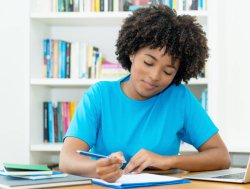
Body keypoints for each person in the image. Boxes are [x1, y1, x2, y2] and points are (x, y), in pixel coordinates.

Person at [59, 5, 230, 183]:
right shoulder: (100, 95)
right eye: (148, 63)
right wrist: (98, 168)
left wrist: (167, 161)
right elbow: (67, 159)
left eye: (168, 72)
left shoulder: (179, 98)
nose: (154, 76)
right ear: (132, 53)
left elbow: (221, 156)